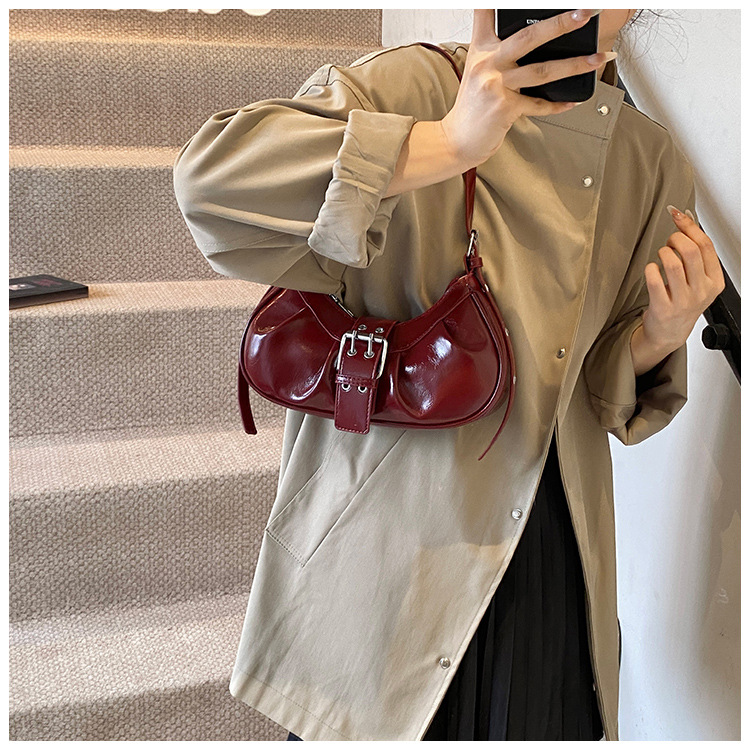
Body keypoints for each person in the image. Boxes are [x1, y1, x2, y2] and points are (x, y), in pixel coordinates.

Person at [172, 8, 724, 742]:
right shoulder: (413, 84)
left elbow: (596, 389)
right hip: (389, 536)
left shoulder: (648, 159)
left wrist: (659, 335)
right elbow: (210, 184)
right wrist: (448, 142)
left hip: (547, 553)